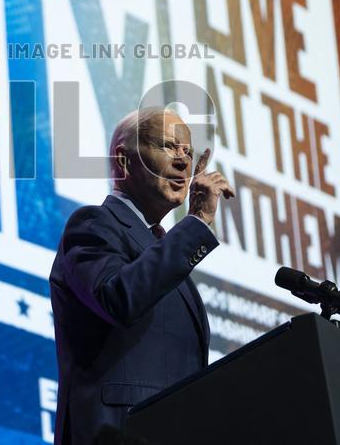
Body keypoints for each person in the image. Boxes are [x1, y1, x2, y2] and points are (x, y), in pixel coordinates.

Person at [49, 107, 235, 445]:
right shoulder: (93, 224)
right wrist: (194, 224)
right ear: (124, 161)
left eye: (189, 152)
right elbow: (118, 298)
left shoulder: (163, 248)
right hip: (119, 434)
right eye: (168, 146)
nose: (184, 162)